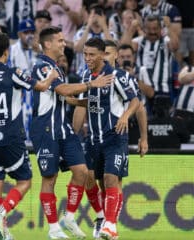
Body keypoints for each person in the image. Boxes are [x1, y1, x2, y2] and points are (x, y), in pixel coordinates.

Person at [0, 31, 59, 240]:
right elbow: (42, 87)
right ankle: (2, 212)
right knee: (25, 180)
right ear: (7, 52)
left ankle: (3, 230)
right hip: (10, 136)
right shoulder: (12, 72)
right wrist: (52, 76)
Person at [30, 27, 113, 239]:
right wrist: (90, 84)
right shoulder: (41, 66)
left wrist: (90, 101)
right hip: (45, 128)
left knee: (82, 172)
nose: (63, 43)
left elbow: (65, 98)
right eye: (59, 40)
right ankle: (53, 228)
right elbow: (62, 90)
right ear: (47, 44)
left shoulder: (57, 67)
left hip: (63, 128)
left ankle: (69, 216)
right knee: (50, 177)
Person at [80, 38, 139, 240]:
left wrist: (124, 116)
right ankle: (101, 217)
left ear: (102, 54)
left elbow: (135, 101)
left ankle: (110, 225)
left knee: (110, 179)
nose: (88, 58)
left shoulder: (117, 76)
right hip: (93, 139)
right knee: (88, 180)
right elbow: (82, 104)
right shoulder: (85, 76)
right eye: (85, 54)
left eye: (92, 54)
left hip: (115, 137)